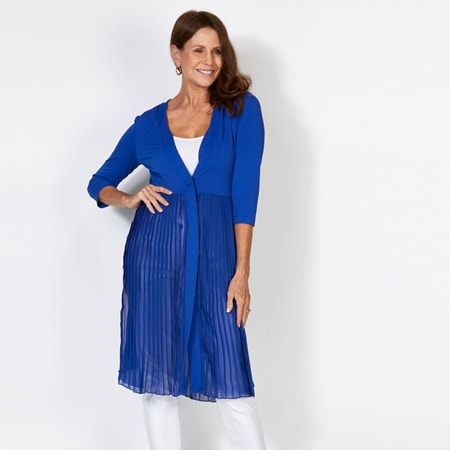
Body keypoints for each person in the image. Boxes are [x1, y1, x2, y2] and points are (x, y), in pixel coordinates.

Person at [87, 10, 266, 450]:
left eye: (217, 51)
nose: (209, 60)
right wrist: (129, 198)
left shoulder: (241, 111)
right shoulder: (148, 124)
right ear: (177, 55)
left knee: (232, 378)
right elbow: (99, 183)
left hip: (218, 261)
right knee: (158, 381)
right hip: (154, 259)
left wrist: (242, 272)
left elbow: (245, 196)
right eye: (198, 50)